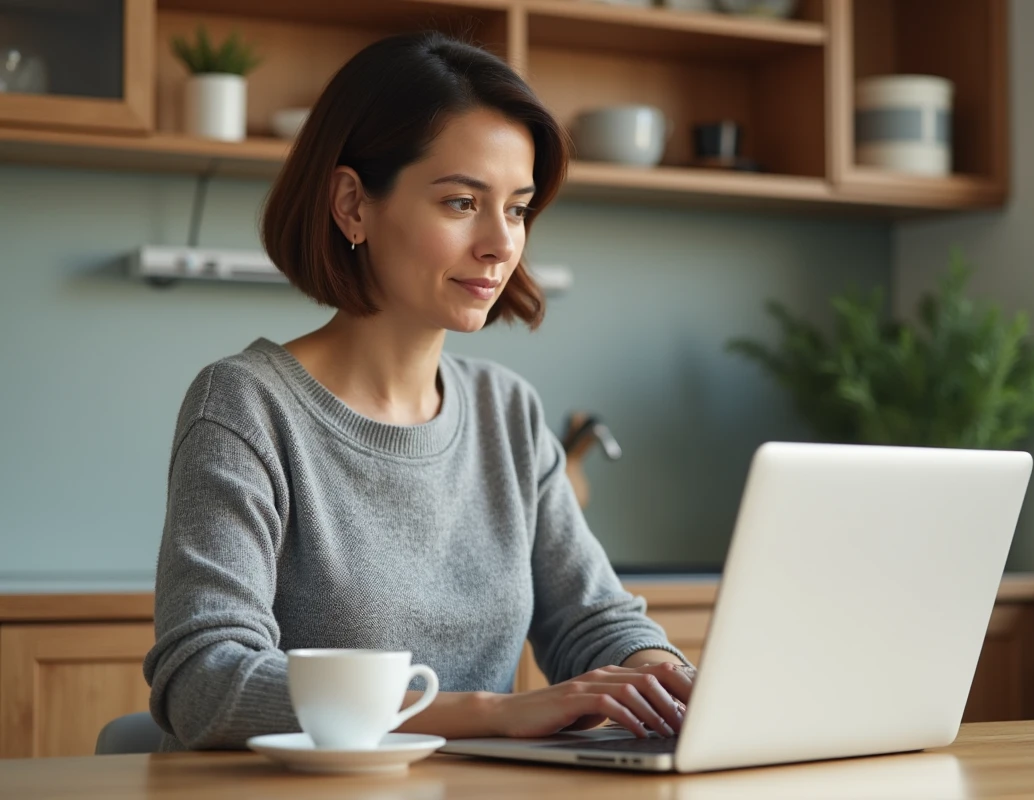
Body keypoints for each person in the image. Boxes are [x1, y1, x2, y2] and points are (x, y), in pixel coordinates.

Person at [142, 31, 695, 752]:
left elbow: (593, 620)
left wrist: (666, 681)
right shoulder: (247, 406)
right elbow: (206, 681)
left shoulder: (508, 413)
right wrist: (488, 714)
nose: (501, 243)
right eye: (463, 202)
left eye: (519, 208)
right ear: (352, 205)